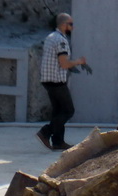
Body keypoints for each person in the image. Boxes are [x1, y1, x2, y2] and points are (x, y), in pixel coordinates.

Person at [36, 13, 87, 151]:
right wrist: (79, 62)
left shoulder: (50, 37)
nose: (72, 27)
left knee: (58, 111)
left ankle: (58, 142)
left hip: (47, 80)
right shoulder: (61, 41)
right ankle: (45, 132)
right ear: (64, 25)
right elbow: (64, 64)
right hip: (57, 81)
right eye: (70, 24)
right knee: (68, 110)